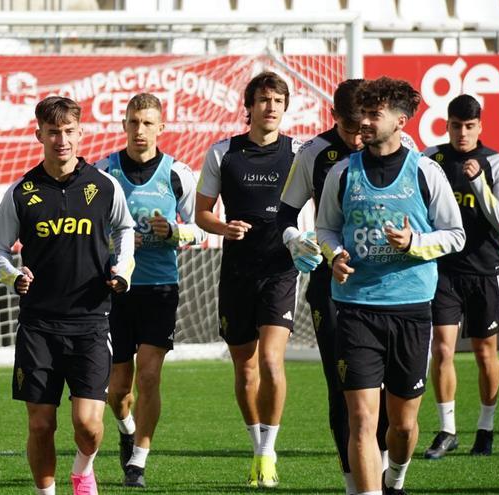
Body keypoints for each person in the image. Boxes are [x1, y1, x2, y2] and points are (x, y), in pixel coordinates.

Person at [316, 77, 465, 495]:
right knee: (362, 421)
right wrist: (335, 255)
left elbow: (455, 234)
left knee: (402, 425)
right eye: (360, 113)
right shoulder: (342, 172)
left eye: (372, 114)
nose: (362, 121)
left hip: (412, 309)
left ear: (400, 120)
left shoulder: (426, 172)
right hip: (355, 309)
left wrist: (416, 243)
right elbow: (325, 227)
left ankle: (395, 478)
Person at [0, 96, 135, 495]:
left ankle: (83, 469)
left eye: (69, 131)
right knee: (40, 424)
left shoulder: (105, 187)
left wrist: (123, 269)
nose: (62, 140)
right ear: (39, 134)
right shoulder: (22, 191)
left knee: (87, 425)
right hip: (38, 324)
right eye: (53, 132)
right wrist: (11, 274)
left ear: (81, 133)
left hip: (90, 321)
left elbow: (125, 230)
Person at [277, 79, 418, 494]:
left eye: (369, 122)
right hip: (334, 286)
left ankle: (391, 476)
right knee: (346, 392)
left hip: (395, 291)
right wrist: (297, 241)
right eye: (354, 125)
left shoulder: (403, 153)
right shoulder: (315, 155)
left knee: (396, 403)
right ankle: (355, 485)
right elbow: (284, 214)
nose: (362, 135)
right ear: (335, 117)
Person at [195, 71, 302, 488]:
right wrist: (224, 229)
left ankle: (267, 453)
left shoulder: (299, 153)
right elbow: (203, 212)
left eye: (277, 100)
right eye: (262, 100)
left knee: (273, 361)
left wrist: (309, 241)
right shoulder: (223, 153)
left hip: (280, 270)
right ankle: (255, 445)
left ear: (285, 106)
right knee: (246, 369)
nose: (270, 107)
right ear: (249, 107)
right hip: (236, 274)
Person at [93, 93, 205, 488]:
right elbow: (89, 232)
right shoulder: (103, 172)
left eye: (147, 123)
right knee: (118, 386)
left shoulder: (178, 174)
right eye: (133, 122)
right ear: (124, 125)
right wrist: (117, 244)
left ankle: (138, 460)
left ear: (161, 127)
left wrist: (174, 231)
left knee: (151, 375)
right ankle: (126, 428)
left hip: (160, 287)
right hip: (115, 288)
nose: (140, 131)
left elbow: (202, 228)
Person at [422, 94, 499, 460]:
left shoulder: (497, 162)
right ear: (447, 124)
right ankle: (447, 430)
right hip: (443, 270)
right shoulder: (431, 160)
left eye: (470, 126)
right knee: (442, 348)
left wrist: (478, 185)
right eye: (457, 125)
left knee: (484, 351)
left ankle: (485, 429)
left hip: (485, 272)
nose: (462, 132)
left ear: (480, 126)